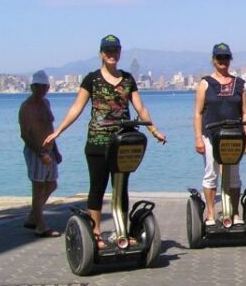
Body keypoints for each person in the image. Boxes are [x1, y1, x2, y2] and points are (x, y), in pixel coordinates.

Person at [43, 35, 167, 249]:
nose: (112, 55)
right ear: (101, 53)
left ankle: (122, 231)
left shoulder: (128, 79)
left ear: (120, 53)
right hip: (97, 142)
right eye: (108, 51)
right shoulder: (92, 79)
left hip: (123, 143)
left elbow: (140, 108)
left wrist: (153, 129)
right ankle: (97, 233)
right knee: (97, 187)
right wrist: (59, 131)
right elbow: (77, 108)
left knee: (121, 189)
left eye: (115, 51)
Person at [193, 43, 246, 226]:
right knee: (211, 173)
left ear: (230, 60)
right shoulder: (205, 83)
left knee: (234, 175)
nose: (223, 61)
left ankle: (234, 213)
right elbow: (198, 113)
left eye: (226, 58)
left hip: (234, 136)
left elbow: (245, 112)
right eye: (219, 58)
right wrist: (198, 138)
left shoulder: (239, 84)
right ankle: (211, 213)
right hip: (211, 135)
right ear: (213, 60)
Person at [19, 70, 62, 237]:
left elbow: (50, 129)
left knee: (52, 184)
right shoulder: (26, 107)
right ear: (32, 87)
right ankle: (40, 225)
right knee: (38, 188)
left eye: (44, 87)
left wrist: (56, 151)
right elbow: (25, 134)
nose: (41, 90)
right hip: (36, 151)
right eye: (37, 87)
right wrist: (40, 153)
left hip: (49, 150)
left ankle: (32, 216)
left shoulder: (46, 103)